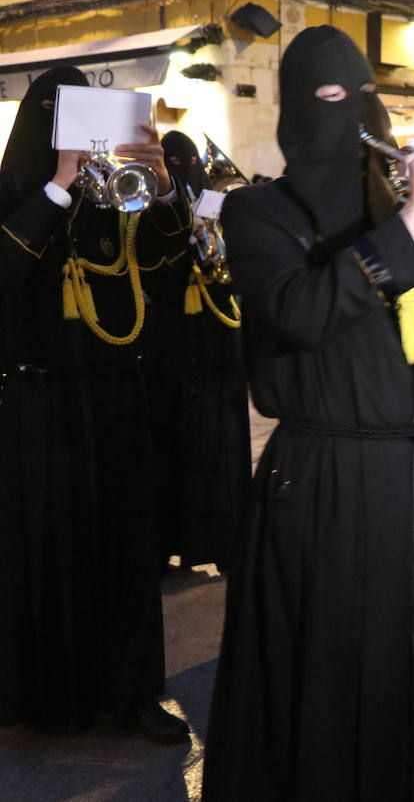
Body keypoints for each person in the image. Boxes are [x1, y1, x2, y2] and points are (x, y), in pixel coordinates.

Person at [203, 26, 414, 800]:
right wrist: (410, 223)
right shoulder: (257, 213)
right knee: (334, 671)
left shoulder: (405, 211)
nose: (348, 115)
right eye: (330, 96)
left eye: (360, 95)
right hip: (328, 482)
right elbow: (300, 312)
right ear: (295, 107)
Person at [0, 67, 193, 743]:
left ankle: (133, 694)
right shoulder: (14, 192)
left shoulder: (117, 197)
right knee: (52, 554)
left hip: (115, 397)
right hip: (37, 405)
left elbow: (171, 269)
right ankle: (51, 697)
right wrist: (57, 185)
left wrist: (165, 191)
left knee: (126, 550)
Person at [159, 130, 252, 565]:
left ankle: (226, 539)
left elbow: (233, 272)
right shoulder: (154, 210)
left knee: (221, 438)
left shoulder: (227, 211)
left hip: (218, 340)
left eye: (187, 160)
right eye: (171, 161)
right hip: (175, 343)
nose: (184, 167)